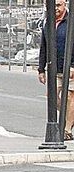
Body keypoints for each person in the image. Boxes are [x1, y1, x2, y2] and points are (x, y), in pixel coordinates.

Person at [38, 0, 74, 141]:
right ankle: (69, 116)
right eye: (52, 6)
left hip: (70, 68)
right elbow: (44, 46)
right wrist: (41, 69)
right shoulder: (48, 23)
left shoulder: (71, 22)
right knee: (52, 97)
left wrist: (72, 65)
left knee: (70, 97)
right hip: (55, 68)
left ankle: (67, 129)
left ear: (65, 5)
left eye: (58, 5)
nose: (55, 9)